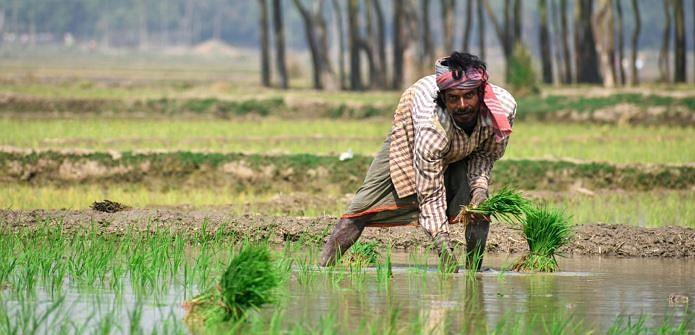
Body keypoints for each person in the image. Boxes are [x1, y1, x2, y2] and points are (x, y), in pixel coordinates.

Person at [319, 52, 516, 272]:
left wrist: (479, 189)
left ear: (480, 93)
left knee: (480, 206)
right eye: (453, 98)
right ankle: (323, 268)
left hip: (463, 145)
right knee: (363, 206)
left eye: (469, 96)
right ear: (443, 99)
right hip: (412, 135)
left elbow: (485, 154)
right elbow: (430, 194)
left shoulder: (502, 110)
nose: (462, 105)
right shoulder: (432, 126)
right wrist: (442, 245)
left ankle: (475, 272)